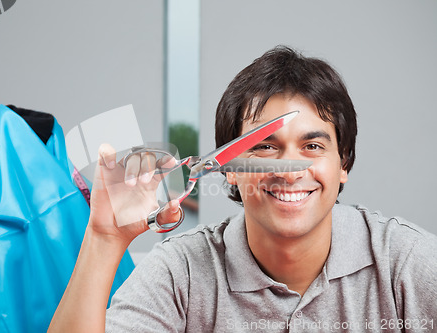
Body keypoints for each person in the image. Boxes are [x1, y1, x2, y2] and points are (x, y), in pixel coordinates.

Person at [49, 46, 437, 332]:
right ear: (230, 170)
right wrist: (104, 239)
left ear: (343, 165)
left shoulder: (406, 265)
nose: (288, 170)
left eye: (312, 147)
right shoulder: (179, 273)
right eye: (265, 147)